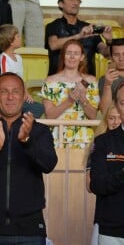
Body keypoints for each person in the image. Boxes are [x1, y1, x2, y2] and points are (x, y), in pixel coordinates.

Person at [0, 72, 58, 244]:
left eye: (16, 91)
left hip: (30, 230)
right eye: (4, 91)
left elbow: (49, 164)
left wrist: (27, 142)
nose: (10, 97)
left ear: (24, 96)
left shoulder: (39, 131)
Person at [41, 39, 99, 148]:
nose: (72, 57)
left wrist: (83, 99)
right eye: (69, 53)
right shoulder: (50, 81)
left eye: (76, 53)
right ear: (63, 56)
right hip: (58, 136)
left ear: (82, 57)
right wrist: (69, 101)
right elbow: (49, 115)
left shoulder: (90, 81)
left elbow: (93, 116)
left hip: (83, 136)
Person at [44, 0, 112, 76]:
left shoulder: (89, 28)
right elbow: (53, 45)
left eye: (78, 0)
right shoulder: (53, 26)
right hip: (59, 83)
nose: (75, 3)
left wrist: (109, 41)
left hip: (85, 83)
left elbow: (106, 53)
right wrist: (79, 36)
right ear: (60, 4)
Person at [90, 81, 124, 244]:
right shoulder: (103, 141)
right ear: (117, 105)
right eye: (123, 103)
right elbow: (96, 185)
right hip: (112, 230)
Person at [84, 103, 121, 245]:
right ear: (105, 121)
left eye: (119, 118)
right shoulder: (98, 144)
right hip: (105, 218)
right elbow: (89, 185)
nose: (116, 122)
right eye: (111, 118)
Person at [0, 23, 44, 118]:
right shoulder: (3, 58)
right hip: (10, 97)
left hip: (19, 95)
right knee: (35, 109)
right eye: (17, 36)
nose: (20, 38)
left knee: (39, 108)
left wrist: (26, 93)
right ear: (11, 41)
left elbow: (21, 80)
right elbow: (4, 82)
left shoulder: (19, 58)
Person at [98, 38, 124, 115]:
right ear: (111, 57)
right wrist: (107, 85)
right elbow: (104, 111)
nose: (121, 59)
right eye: (116, 55)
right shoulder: (105, 79)